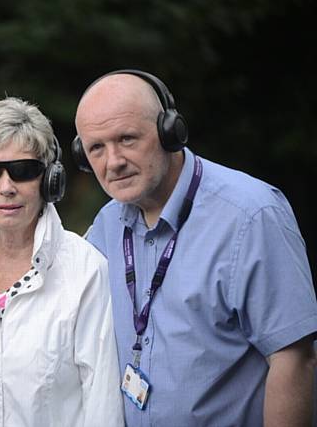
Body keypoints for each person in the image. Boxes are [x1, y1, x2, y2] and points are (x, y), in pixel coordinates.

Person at [73, 69, 317, 426]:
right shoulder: (107, 226)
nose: (113, 161)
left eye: (127, 139)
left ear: (170, 131)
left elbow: (295, 359)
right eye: (96, 148)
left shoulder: (251, 214)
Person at [0, 97, 124, 426]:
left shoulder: (85, 270)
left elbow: (103, 403)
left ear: (50, 180)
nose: (5, 187)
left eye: (22, 171)